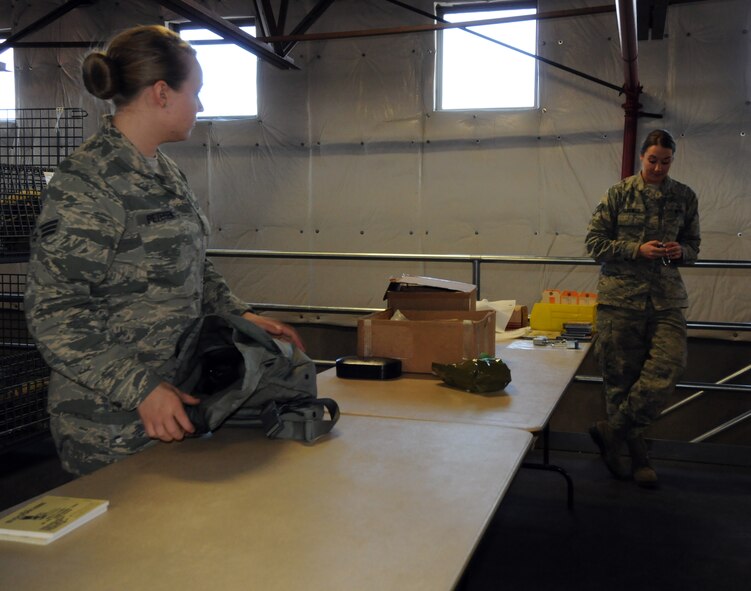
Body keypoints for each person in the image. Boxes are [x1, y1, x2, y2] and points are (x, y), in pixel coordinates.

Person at [24, 25, 303, 476]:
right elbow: (55, 313)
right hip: (111, 420)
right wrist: (142, 389)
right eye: (196, 92)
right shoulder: (90, 182)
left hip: (177, 397)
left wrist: (240, 314)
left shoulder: (163, 170)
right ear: (161, 93)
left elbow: (189, 266)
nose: (202, 105)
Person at [584, 129, 701, 488]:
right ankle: (638, 460)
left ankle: (612, 432)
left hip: (666, 299)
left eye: (665, 161)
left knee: (670, 365)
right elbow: (594, 243)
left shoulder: (684, 196)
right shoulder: (618, 194)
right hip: (621, 300)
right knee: (621, 381)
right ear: (641, 157)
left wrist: (684, 253)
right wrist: (636, 250)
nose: (658, 167)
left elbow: (694, 245)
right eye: (653, 160)